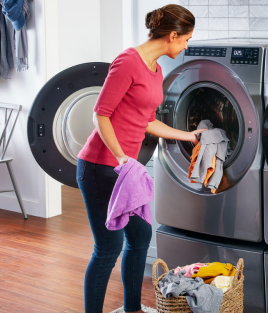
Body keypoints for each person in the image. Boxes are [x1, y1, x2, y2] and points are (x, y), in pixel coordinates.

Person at [76, 5, 202, 313]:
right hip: (101, 167)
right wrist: (121, 157)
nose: (185, 46)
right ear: (173, 35)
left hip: (123, 171)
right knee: (108, 248)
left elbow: (146, 120)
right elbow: (100, 115)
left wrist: (187, 136)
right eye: (185, 39)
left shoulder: (156, 69)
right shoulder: (127, 62)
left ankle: (132, 309)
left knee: (140, 236)